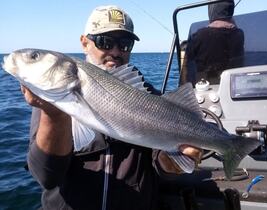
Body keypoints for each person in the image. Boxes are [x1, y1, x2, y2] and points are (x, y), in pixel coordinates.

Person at [22, 5, 202, 210]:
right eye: (104, 42)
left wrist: (172, 164)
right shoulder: (55, 99)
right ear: (84, 42)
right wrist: (54, 115)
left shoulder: (151, 98)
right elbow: (46, 176)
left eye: (125, 44)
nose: (116, 52)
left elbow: (160, 165)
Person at [181, 0, 244, 85]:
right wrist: (228, 18)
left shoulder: (198, 36)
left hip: (204, 88)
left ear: (211, 10)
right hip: (232, 85)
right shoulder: (239, 34)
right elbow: (232, 28)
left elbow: (187, 73)